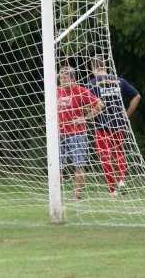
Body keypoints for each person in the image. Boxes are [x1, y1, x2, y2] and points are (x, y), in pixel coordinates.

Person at [87, 55, 141, 195]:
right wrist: (127, 114)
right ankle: (121, 180)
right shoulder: (119, 80)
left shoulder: (92, 83)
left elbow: (96, 105)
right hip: (119, 123)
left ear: (93, 68)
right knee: (119, 153)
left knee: (105, 156)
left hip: (102, 125)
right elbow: (137, 96)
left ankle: (112, 189)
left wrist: (87, 116)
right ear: (105, 66)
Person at [57, 66, 105, 201]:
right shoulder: (57, 92)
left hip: (77, 133)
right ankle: (57, 194)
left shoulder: (80, 91)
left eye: (65, 77)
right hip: (59, 133)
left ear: (72, 78)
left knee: (79, 163)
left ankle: (77, 195)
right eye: (61, 78)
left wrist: (85, 118)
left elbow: (100, 104)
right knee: (57, 164)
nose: (62, 80)